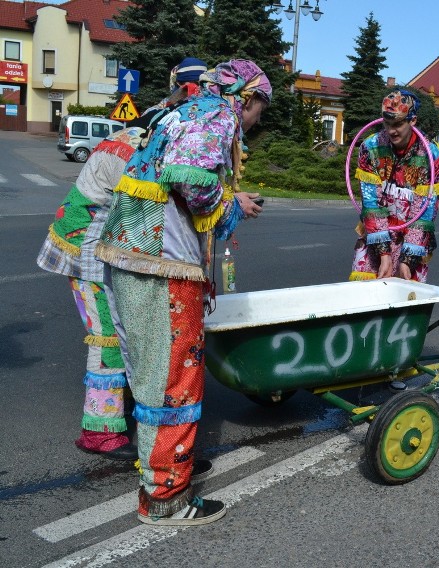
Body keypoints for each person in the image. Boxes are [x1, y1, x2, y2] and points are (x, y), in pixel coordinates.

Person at [96, 59, 270, 526]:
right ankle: (167, 497)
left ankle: (162, 472)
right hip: (160, 264)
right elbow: (188, 176)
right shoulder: (218, 114)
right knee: (175, 380)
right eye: (259, 111)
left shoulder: (183, 110)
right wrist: (233, 203)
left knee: (153, 373)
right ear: (248, 98)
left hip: (132, 253)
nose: (255, 122)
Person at [36, 127, 148, 461]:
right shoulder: (137, 151)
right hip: (87, 251)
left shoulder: (136, 135)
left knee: (114, 334)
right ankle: (99, 432)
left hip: (89, 244)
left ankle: (118, 409)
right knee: (107, 339)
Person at [349, 89, 439, 282]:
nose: (392, 131)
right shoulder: (371, 147)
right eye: (387, 123)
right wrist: (384, 255)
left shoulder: (430, 154)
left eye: (398, 124)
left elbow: (424, 211)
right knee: (365, 294)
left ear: (412, 120)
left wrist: (407, 261)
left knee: (407, 297)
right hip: (375, 236)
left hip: (412, 241)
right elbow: (371, 203)